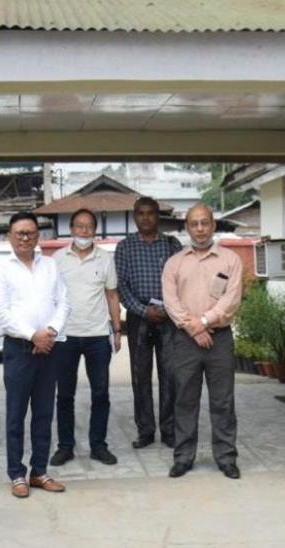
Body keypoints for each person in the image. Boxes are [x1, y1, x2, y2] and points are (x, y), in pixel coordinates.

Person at [0, 211, 71, 498]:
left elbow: (64, 303)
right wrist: (32, 335)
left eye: (30, 233)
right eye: (19, 233)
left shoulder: (50, 265)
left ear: (38, 236)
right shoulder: (1, 269)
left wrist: (49, 332)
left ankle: (39, 472)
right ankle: (16, 474)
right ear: (9, 236)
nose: (25, 238)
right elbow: (0, 312)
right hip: (19, 350)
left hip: (49, 348)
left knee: (44, 413)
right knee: (16, 414)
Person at [162, 204, 244, 479]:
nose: (199, 229)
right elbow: (171, 302)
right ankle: (183, 457)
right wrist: (194, 328)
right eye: (194, 224)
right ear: (186, 228)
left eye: (204, 223)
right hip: (185, 341)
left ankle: (226, 457)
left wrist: (205, 322)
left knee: (223, 401)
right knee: (185, 399)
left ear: (213, 225)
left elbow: (231, 299)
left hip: (220, 340)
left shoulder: (230, 260)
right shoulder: (174, 263)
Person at [50, 208, 122, 467]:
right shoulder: (57, 259)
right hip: (65, 336)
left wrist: (117, 330)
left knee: (100, 393)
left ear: (95, 230)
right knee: (64, 395)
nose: (84, 230)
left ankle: (98, 446)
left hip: (97, 336)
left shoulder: (105, 259)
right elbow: (50, 297)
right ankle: (65, 447)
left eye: (88, 226)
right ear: (71, 229)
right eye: (79, 226)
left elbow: (112, 295)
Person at [114, 196, 184, 449]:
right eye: (140, 213)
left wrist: (168, 309)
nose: (145, 218)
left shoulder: (172, 244)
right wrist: (144, 310)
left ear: (158, 216)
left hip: (169, 317)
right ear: (135, 217)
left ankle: (169, 430)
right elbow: (121, 286)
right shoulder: (125, 247)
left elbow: (182, 281)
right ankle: (145, 431)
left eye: (150, 213)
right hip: (139, 317)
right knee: (140, 376)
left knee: (170, 375)